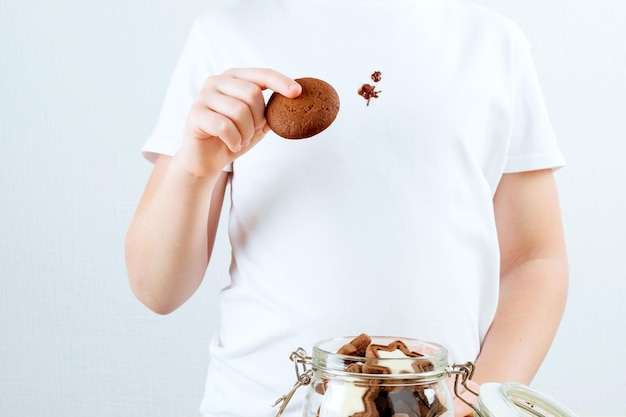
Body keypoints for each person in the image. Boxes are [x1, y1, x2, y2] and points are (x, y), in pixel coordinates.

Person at [125, 1, 568, 416]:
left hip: (435, 404)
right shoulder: (227, 33)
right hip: (265, 401)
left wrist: (475, 399)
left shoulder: (492, 42)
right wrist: (192, 170)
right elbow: (157, 289)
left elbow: (534, 260)